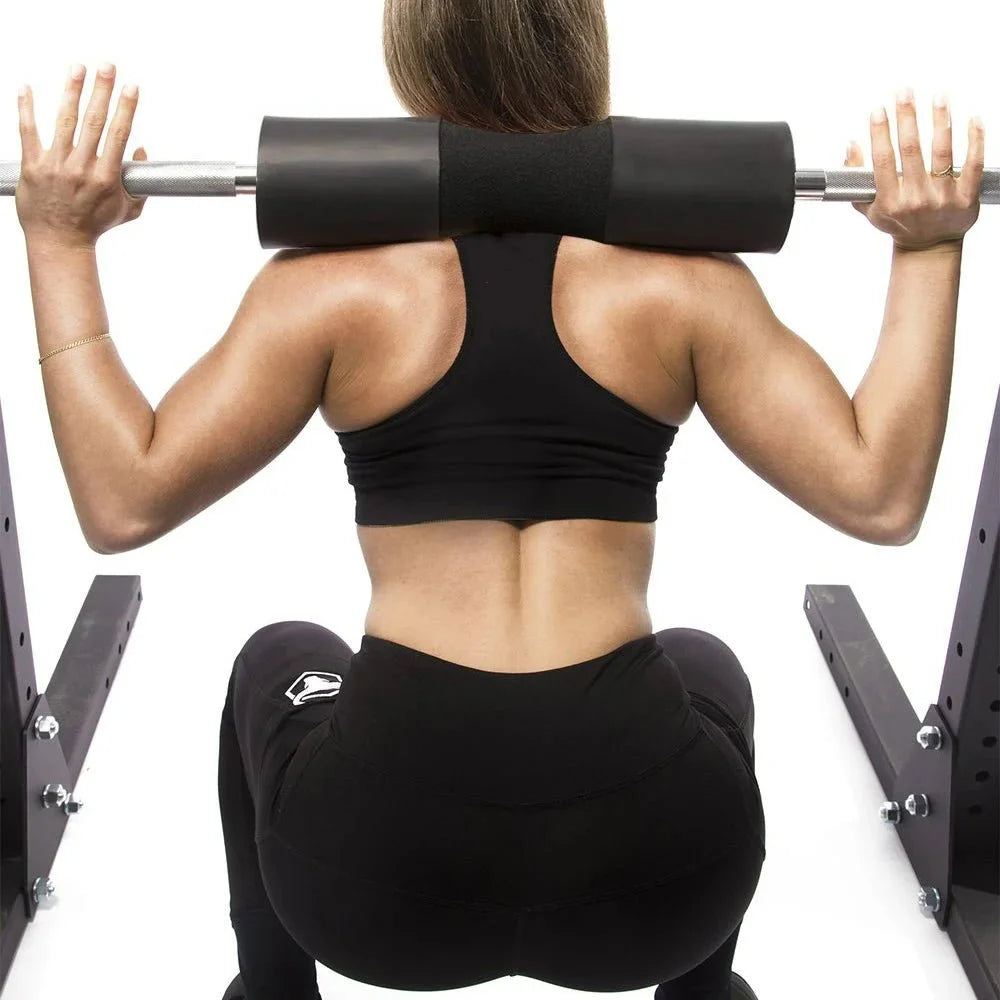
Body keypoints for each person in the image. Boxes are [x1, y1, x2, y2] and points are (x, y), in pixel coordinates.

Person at [12, 3, 983, 999]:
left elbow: (122, 503)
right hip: (659, 889)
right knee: (705, 666)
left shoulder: (330, 289)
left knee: (279, 655)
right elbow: (880, 497)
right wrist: (928, 252)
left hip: (372, 889)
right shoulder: (685, 288)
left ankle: (272, 994)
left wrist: (57, 242)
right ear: (586, 48)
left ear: (410, 57)